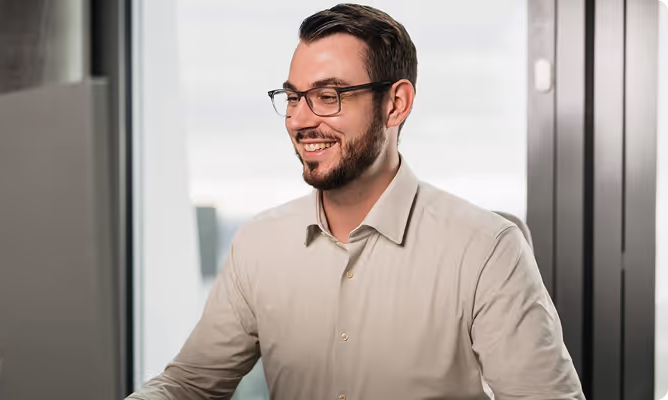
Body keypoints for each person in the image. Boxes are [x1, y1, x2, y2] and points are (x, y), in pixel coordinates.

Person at [128, 4, 584, 399]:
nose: (299, 120)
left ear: (396, 104)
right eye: (293, 97)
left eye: (328, 96)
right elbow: (189, 385)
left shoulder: (486, 249)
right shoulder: (258, 246)